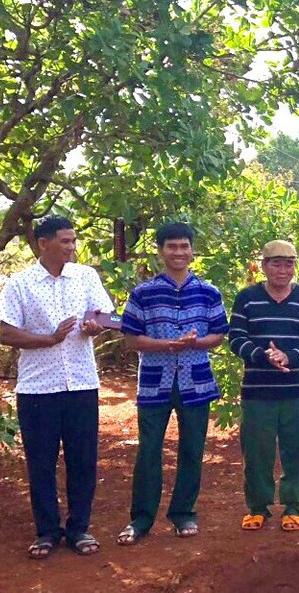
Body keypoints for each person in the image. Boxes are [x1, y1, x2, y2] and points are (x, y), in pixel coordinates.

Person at [0, 216, 114, 558]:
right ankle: (46, 532)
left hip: (81, 384)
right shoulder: (21, 283)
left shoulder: (86, 276)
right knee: (41, 462)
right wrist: (50, 338)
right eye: (65, 241)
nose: (72, 247)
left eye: (74, 241)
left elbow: (104, 317)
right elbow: (7, 334)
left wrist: (95, 327)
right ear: (43, 243)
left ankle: (79, 530)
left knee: (83, 460)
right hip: (37, 390)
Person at [117, 223, 229, 545]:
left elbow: (219, 334)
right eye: (171, 247)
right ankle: (141, 519)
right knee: (149, 450)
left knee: (192, 450)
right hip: (154, 385)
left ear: (192, 250)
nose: (178, 252)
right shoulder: (143, 293)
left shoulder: (209, 292)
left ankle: (183, 514)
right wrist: (166, 346)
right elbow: (131, 339)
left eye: (184, 246)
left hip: (197, 383)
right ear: (160, 251)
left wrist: (197, 343)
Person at [229, 240, 299, 532]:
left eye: (289, 264)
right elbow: (236, 338)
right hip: (257, 389)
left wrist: (290, 356)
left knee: (296, 448)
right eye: (276, 263)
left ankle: (293, 505)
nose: (283, 270)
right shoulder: (247, 298)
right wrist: (264, 355)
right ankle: (258, 506)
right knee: (257, 451)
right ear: (264, 265)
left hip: (295, 389)